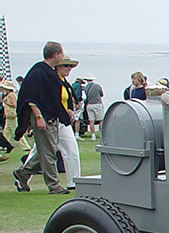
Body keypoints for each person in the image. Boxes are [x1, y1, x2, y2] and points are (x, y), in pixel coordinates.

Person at [13, 41, 71, 193]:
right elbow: (31, 97)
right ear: (55, 54)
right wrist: (38, 116)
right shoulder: (39, 72)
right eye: (61, 53)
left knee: (45, 151)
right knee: (49, 152)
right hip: (42, 116)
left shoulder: (49, 72)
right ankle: (54, 185)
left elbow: (54, 97)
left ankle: (22, 173)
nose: (63, 56)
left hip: (50, 116)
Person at [54, 58, 82, 189]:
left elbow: (66, 101)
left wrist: (69, 110)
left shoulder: (64, 83)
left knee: (71, 149)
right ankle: (23, 173)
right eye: (65, 66)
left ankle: (73, 181)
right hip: (54, 120)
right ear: (58, 67)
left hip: (62, 121)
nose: (68, 68)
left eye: (70, 66)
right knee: (41, 152)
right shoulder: (54, 81)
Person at [83, 75, 104, 139]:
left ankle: (93, 135)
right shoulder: (97, 86)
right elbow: (102, 94)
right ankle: (102, 134)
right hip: (97, 103)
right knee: (100, 120)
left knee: (91, 121)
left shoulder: (86, 87)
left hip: (89, 104)